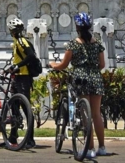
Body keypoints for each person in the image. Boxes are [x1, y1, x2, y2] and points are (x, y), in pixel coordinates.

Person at [49, 13, 107, 158]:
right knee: (96, 114)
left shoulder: (73, 44)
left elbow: (64, 64)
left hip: (80, 78)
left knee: (85, 115)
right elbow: (102, 64)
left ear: (77, 27)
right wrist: (92, 70)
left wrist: (53, 65)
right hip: (95, 78)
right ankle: (102, 147)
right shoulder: (97, 43)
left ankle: (89, 149)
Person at [5, 18, 36, 149]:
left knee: (25, 108)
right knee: (14, 107)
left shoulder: (21, 41)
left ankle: (30, 139)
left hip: (23, 78)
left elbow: (31, 56)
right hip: (17, 77)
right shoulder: (17, 42)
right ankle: (13, 137)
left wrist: (17, 66)